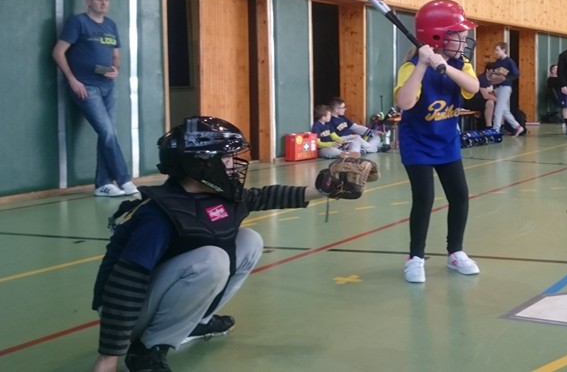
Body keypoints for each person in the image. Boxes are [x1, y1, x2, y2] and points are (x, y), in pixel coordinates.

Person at [90, 116, 371, 372]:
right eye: (225, 157)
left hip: (154, 298)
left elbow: (263, 197)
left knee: (249, 240)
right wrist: (108, 357)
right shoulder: (158, 215)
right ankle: (147, 349)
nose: (232, 163)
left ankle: (197, 322)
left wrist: (323, 190)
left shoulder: (217, 194)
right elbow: (124, 284)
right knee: (212, 260)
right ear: (199, 163)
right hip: (128, 315)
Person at [394, 0, 480, 283]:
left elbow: (473, 87)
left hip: (447, 142)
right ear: (437, 36)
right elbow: (405, 103)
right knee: (424, 199)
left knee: (459, 196)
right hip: (417, 144)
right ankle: (415, 258)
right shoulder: (410, 66)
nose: (464, 40)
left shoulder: (461, 63)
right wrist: (422, 65)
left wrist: (444, 67)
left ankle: (456, 252)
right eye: (459, 35)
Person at [52, 0, 138, 198]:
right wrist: (72, 80)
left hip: (108, 87)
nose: (103, 3)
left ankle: (103, 184)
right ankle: (124, 179)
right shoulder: (78, 22)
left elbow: (116, 56)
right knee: (107, 132)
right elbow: (58, 52)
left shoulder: (111, 25)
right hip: (86, 87)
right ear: (88, 1)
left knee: (107, 133)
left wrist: (116, 69)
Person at [486, 42, 524, 136]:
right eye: (495, 50)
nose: (496, 52)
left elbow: (516, 74)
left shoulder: (509, 61)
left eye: (497, 50)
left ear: (503, 50)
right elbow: (494, 74)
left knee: (498, 109)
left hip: (505, 87)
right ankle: (517, 126)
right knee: (504, 110)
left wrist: (506, 79)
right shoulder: (497, 62)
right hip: (498, 87)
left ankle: (496, 129)